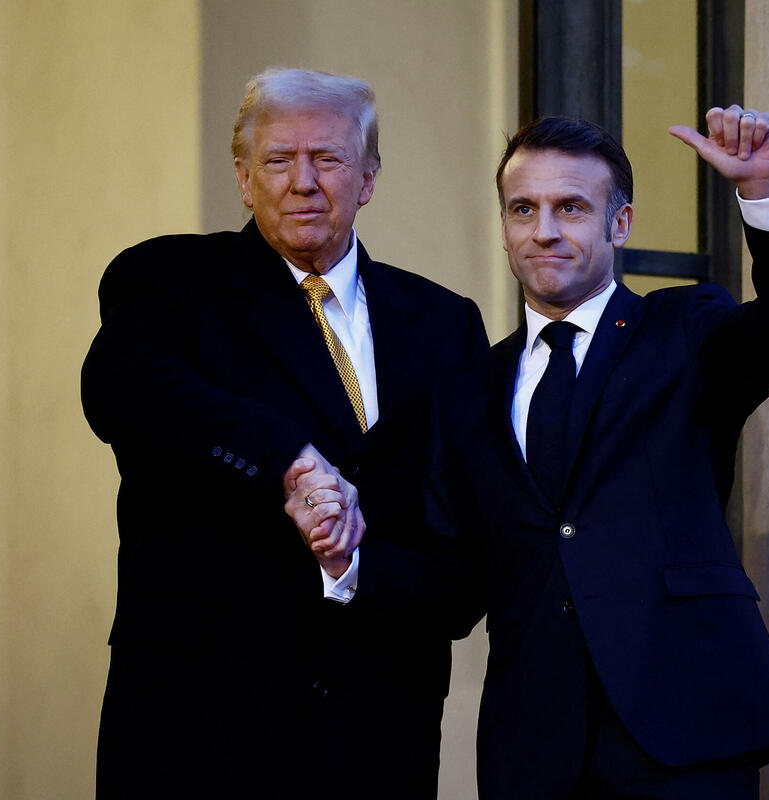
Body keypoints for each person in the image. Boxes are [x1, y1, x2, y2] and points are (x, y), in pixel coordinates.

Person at [288, 106, 769, 798]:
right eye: (524, 209)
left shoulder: (684, 330)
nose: (543, 230)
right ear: (504, 227)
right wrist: (348, 560)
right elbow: (454, 587)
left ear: (620, 223)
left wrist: (762, 193)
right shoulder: (466, 392)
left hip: (686, 727)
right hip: (534, 746)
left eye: (571, 207)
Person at [81, 67, 488, 798]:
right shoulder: (171, 279)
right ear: (244, 179)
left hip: (378, 731)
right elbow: (123, 390)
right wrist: (288, 460)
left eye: (327, 159)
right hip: (203, 734)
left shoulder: (444, 322)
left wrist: (354, 567)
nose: (303, 182)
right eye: (278, 160)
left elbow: (460, 547)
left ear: (368, 179)